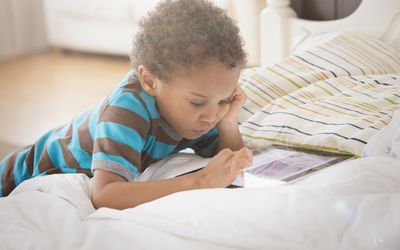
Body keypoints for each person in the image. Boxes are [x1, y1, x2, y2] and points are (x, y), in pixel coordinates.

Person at [0, 0, 253, 209]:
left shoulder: (205, 112)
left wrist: (228, 121)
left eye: (223, 99)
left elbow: (227, 160)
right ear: (149, 81)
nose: (211, 116)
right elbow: (105, 194)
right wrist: (198, 182)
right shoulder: (127, 110)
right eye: (197, 102)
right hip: (21, 173)